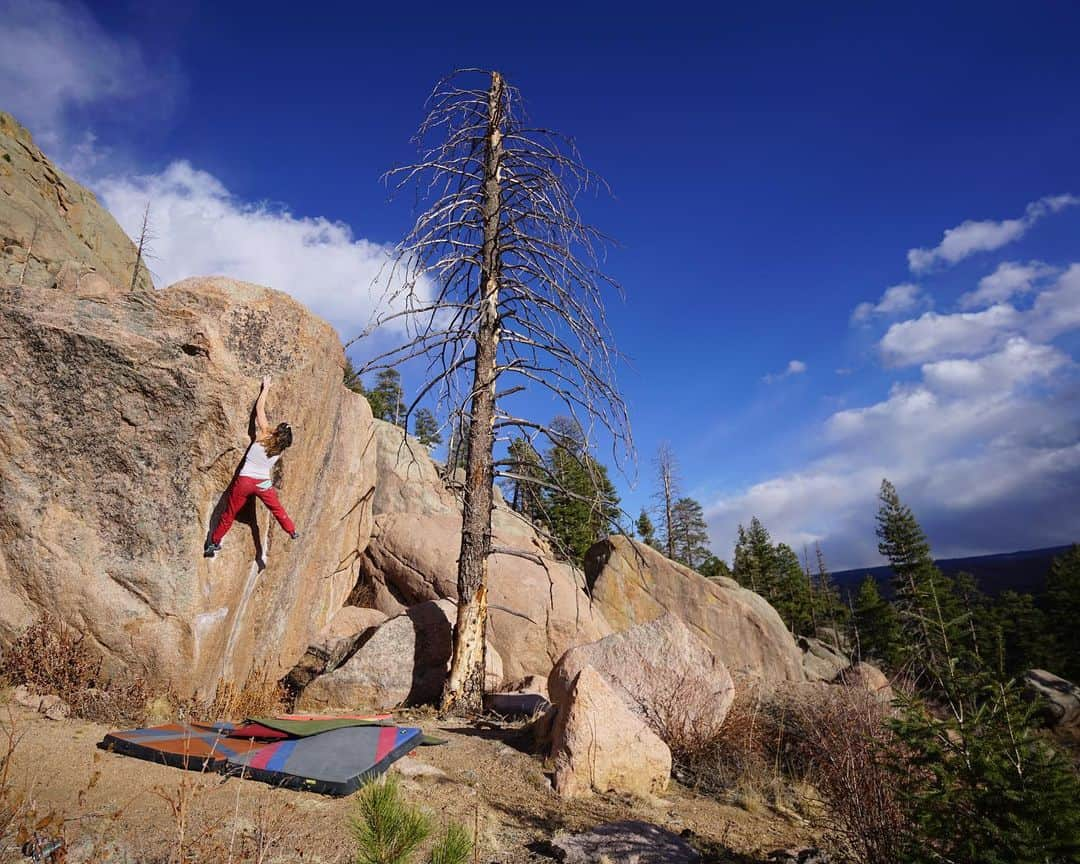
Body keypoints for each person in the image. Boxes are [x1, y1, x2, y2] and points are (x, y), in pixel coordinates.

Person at [204, 375, 299, 557]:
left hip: (245, 481)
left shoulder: (263, 434)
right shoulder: (280, 450)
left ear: (277, 431)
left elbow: (259, 409)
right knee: (277, 509)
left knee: (229, 513)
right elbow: (281, 437)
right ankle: (292, 530)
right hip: (262, 483)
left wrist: (265, 388)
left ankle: (213, 543)